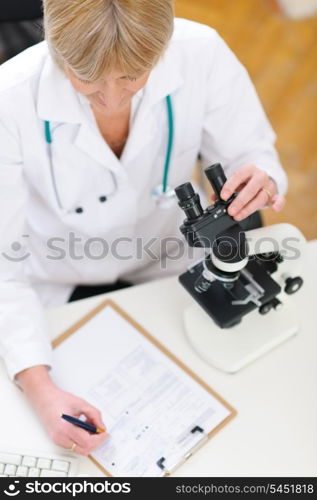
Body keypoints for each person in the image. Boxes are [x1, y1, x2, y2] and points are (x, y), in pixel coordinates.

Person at [0, 0, 287, 456]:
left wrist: (260, 178)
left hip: (167, 259)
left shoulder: (200, 53)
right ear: (54, 46)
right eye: (87, 80)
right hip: (54, 273)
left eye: (132, 77)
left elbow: (252, 152)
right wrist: (40, 389)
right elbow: (3, 262)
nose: (112, 99)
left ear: (162, 49)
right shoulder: (11, 95)